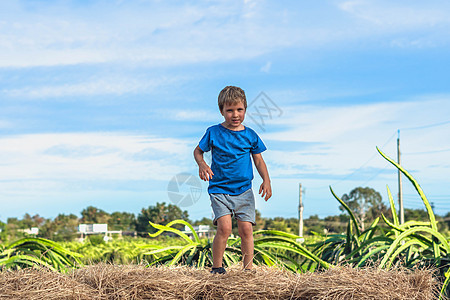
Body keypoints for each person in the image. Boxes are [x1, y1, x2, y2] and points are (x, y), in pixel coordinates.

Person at [193, 86, 272, 274]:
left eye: (239, 109)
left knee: (246, 230)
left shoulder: (250, 135)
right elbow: (197, 151)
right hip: (219, 190)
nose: (235, 114)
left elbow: (259, 160)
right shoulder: (213, 132)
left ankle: (248, 270)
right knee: (225, 228)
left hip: (244, 191)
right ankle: (217, 268)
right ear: (222, 111)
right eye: (229, 110)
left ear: (245, 109)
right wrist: (202, 164)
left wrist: (266, 180)